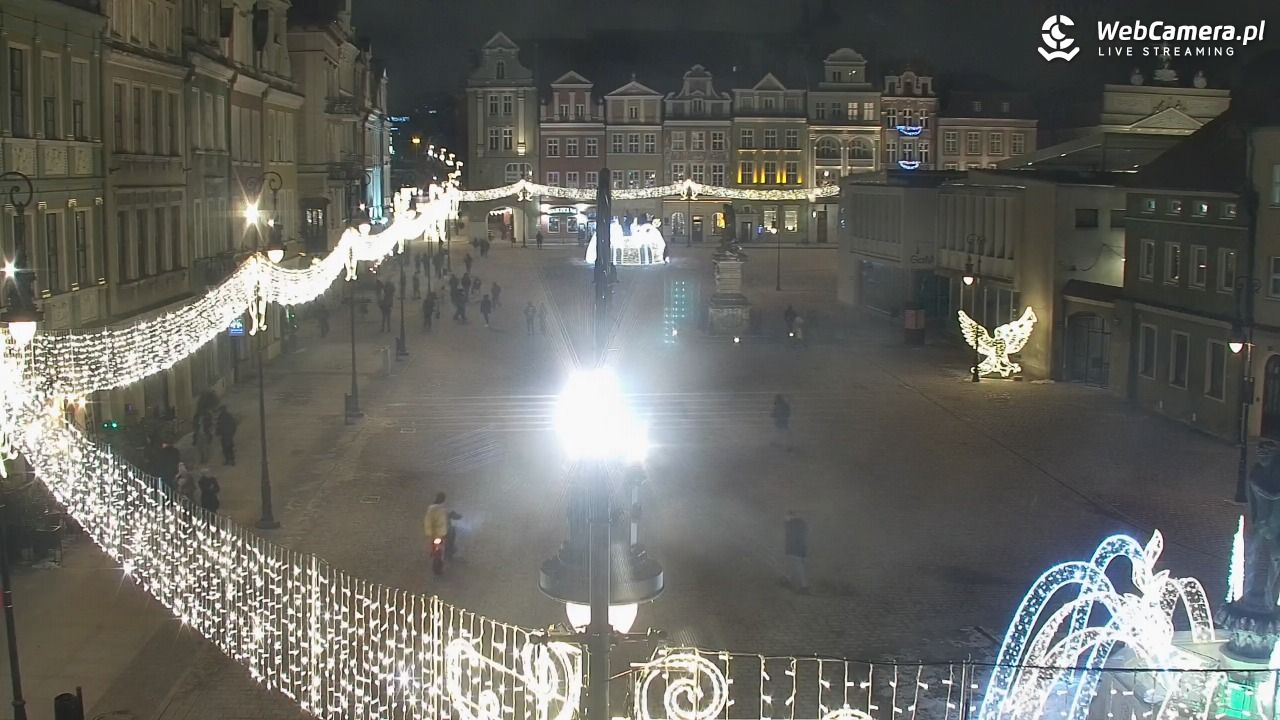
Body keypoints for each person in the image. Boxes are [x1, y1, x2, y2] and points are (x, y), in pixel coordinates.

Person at [424, 492, 455, 575]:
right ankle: (448, 552)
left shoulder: (431, 509)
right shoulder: (443, 509)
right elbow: (448, 518)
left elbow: (427, 521)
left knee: (434, 547)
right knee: (444, 545)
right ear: (443, 499)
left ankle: (434, 554)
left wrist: (428, 532)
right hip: (441, 533)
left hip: (433, 534)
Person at [783, 511, 809, 593]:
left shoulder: (791, 524)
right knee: (796, 565)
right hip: (802, 549)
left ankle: (804, 586)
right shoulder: (801, 523)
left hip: (795, 550)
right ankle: (788, 579)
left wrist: (789, 550)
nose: (785, 519)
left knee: (799, 567)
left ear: (790, 516)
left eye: (786, 517)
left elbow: (790, 538)